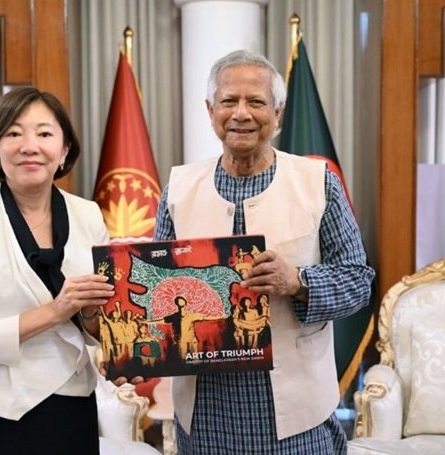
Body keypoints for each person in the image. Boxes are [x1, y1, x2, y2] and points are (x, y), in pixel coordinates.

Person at [154, 50, 375, 454]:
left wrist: (298, 282)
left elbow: (358, 282)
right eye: (229, 101)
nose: (241, 113)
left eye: (255, 101)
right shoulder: (178, 190)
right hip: (205, 418)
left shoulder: (318, 183)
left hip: (298, 418)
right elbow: (159, 291)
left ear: (277, 111)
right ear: (211, 111)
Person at [0, 86, 114, 454]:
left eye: (44, 134)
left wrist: (93, 317)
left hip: (73, 405)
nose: (30, 146)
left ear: (64, 150)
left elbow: (99, 323)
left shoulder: (89, 214)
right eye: (14, 134)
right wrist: (56, 311)